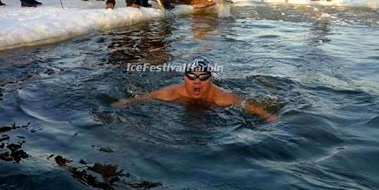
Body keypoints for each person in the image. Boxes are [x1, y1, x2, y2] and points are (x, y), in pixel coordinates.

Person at [114, 56, 277, 122]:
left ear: (210, 79)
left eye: (203, 77)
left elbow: (249, 106)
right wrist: (119, 104)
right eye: (192, 77)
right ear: (184, 77)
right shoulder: (171, 93)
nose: (197, 82)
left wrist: (269, 117)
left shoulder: (221, 97)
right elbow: (142, 98)